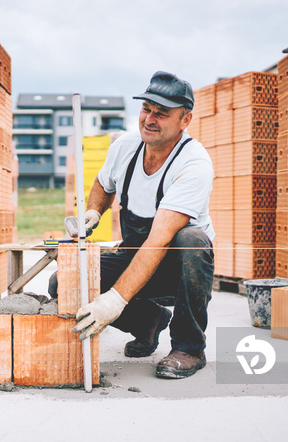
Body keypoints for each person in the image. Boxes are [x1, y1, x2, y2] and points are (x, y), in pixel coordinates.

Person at [52, 71, 215, 379]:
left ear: (185, 120)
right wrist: (93, 212)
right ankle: (148, 322)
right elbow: (103, 185)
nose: (150, 119)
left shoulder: (193, 164)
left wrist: (113, 301)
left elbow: (160, 238)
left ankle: (189, 348)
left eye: (162, 114)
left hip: (177, 267)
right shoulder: (126, 147)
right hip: (136, 253)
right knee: (63, 282)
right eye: (146, 109)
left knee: (193, 239)